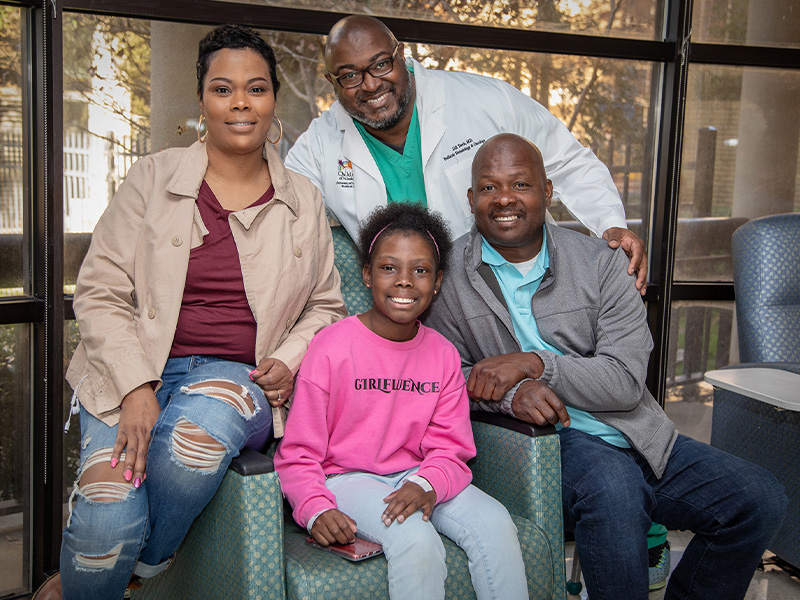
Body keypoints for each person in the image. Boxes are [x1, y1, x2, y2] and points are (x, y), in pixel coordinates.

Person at [34, 25, 347, 600]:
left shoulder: (303, 198)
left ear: (273, 97)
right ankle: (108, 565)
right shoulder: (152, 178)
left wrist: (288, 356)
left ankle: (139, 569)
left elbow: (325, 304)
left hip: (237, 378)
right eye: (223, 89)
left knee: (193, 442)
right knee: (105, 518)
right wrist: (135, 387)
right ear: (202, 99)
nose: (240, 104)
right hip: (133, 370)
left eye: (255, 89)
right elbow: (100, 289)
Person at [424, 133, 787, 600]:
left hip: (634, 432)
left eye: (520, 184)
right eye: (489, 188)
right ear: (472, 199)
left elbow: (623, 383)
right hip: (536, 445)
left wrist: (536, 365)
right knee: (613, 486)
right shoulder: (446, 274)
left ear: (548, 191)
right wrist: (515, 395)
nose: (505, 199)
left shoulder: (603, 263)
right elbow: (441, 375)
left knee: (758, 499)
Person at [285, 14, 648, 295]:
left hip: (521, 290)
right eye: (349, 76)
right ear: (332, 83)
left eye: (381, 64)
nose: (371, 84)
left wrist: (609, 225)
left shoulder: (485, 100)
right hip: (412, 313)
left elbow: (568, 160)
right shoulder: (319, 144)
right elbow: (282, 210)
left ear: (401, 54)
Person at [274, 203, 528, 600]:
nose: (405, 281)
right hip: (347, 479)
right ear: (367, 275)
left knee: (496, 523)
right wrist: (315, 508)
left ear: (438, 281)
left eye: (421, 270)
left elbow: (450, 449)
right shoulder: (330, 347)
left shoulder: (443, 355)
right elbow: (298, 453)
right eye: (389, 268)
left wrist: (425, 482)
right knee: (416, 539)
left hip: (418, 473)